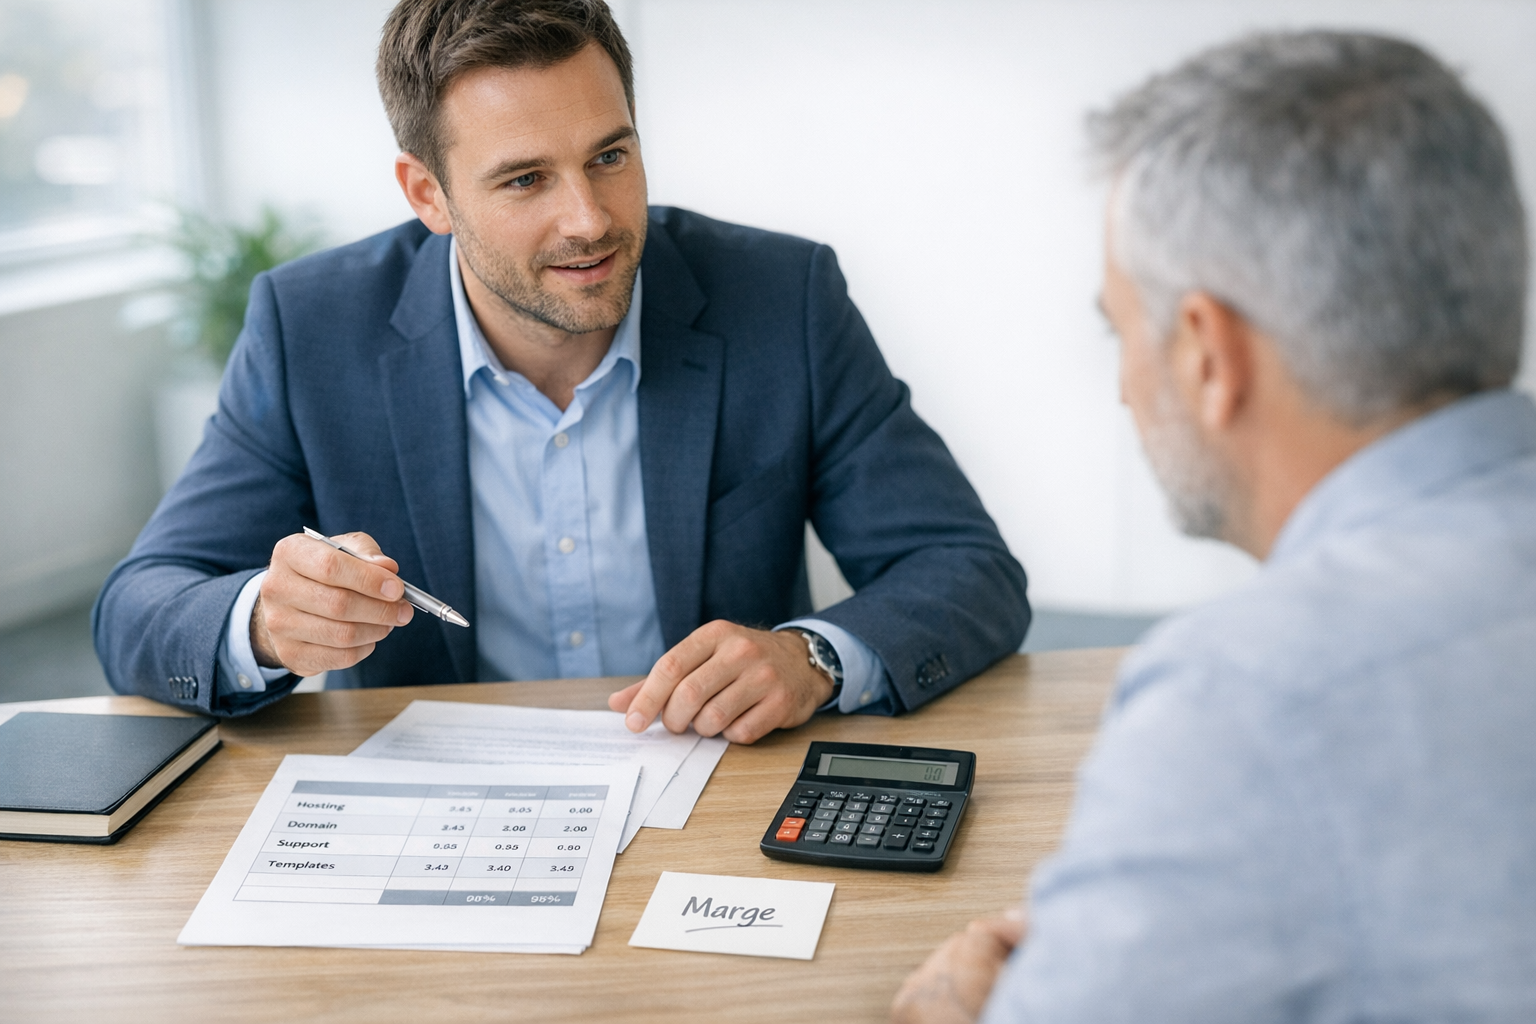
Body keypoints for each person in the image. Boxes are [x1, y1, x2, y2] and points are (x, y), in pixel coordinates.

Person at [91, 0, 1028, 742]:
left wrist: (812, 659)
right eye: (525, 179)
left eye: (610, 156)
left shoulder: (783, 298)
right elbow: (138, 609)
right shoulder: (313, 327)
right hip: (436, 812)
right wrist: (263, 620)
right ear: (429, 193)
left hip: (719, 801)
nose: (590, 218)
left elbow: (968, 570)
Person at [894, 30, 1536, 1024]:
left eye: (1122, 331)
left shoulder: (1245, 695)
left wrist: (946, 1009)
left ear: (1205, 353)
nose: (1119, 386)